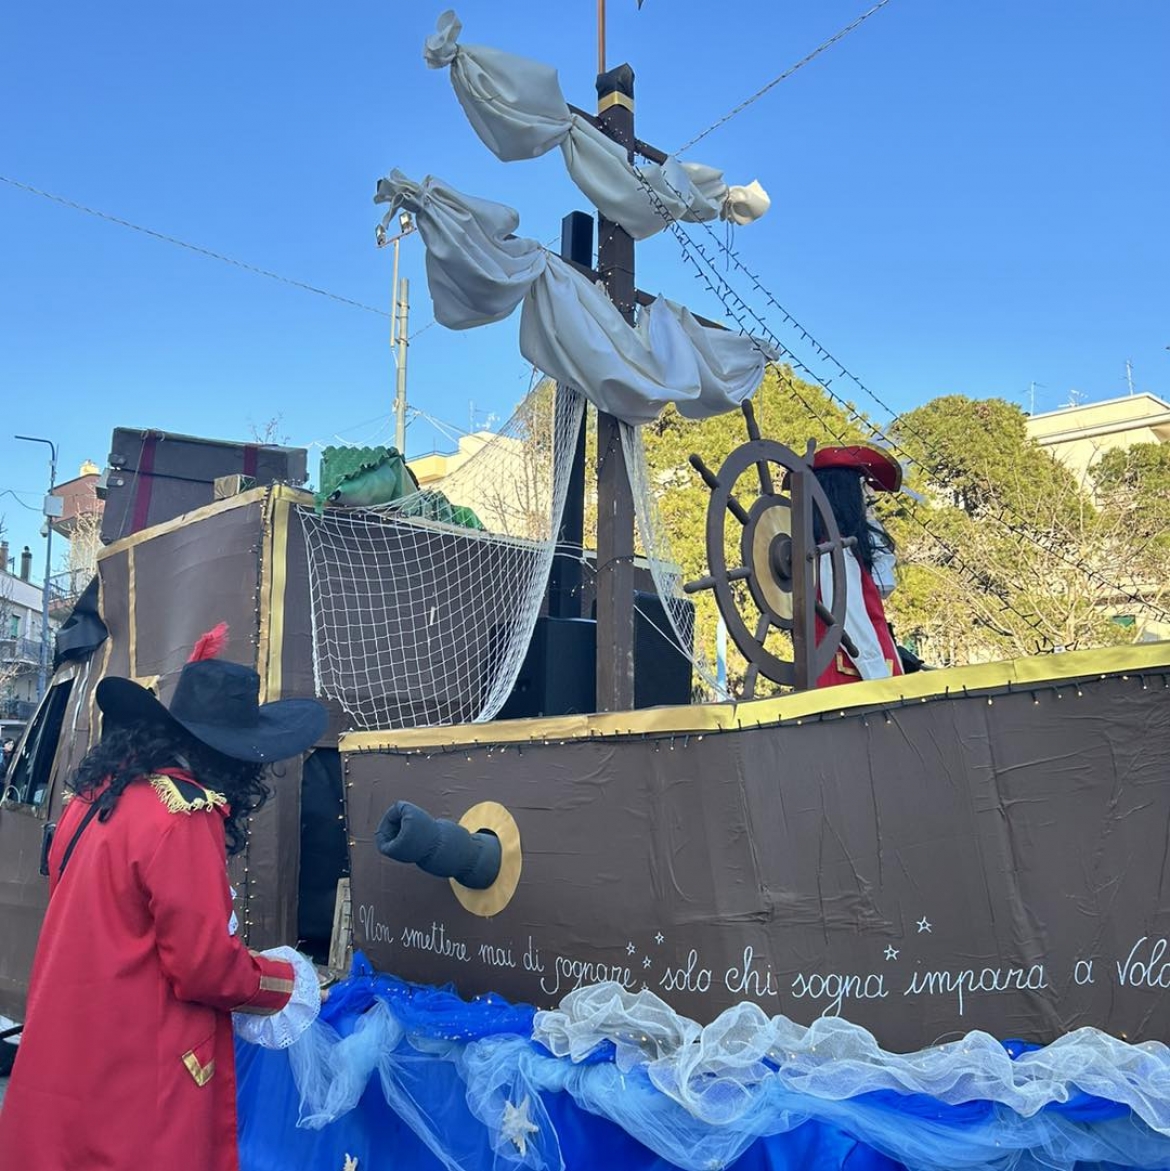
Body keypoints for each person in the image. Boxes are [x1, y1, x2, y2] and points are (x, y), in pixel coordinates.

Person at [0, 623, 328, 1171]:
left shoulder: (93, 798)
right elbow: (204, 968)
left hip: (65, 1059)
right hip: (136, 1084)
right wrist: (285, 982)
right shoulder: (183, 815)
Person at [812, 445, 905, 688]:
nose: (866, 498)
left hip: (849, 675)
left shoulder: (832, 547)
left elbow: (882, 586)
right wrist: (880, 680)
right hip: (853, 680)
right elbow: (848, 615)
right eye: (860, 488)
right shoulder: (835, 550)